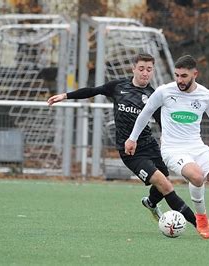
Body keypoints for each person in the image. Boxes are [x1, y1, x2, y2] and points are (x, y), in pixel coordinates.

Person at [47, 53, 199, 229]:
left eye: (149, 69)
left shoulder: (153, 95)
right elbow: (92, 91)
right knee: (164, 184)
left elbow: (162, 122)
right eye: (141, 69)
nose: (145, 73)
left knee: (163, 179)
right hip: (130, 151)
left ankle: (150, 202)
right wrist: (65, 96)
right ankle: (198, 223)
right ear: (133, 68)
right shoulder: (118, 86)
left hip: (150, 145)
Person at [125, 55, 209, 240]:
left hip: (197, 147)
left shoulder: (206, 95)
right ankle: (201, 218)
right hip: (173, 149)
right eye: (177, 75)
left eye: (184, 76)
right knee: (197, 176)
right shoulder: (164, 91)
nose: (179, 80)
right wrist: (132, 139)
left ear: (195, 74)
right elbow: (145, 113)